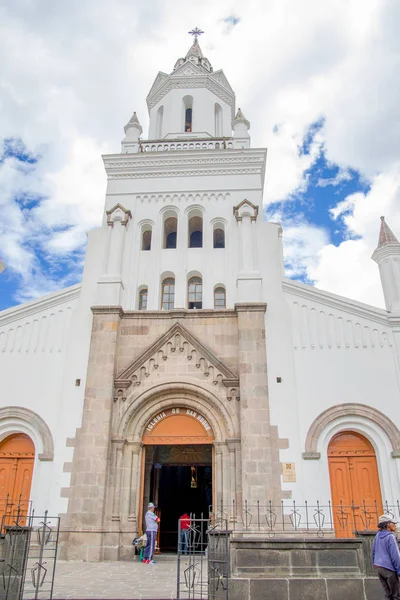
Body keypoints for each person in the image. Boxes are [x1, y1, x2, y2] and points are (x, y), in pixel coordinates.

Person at [372, 513, 400, 599]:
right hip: (389, 569)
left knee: (388, 595)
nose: (395, 525)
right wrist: (399, 571)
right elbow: (395, 556)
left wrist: (376, 564)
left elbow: (373, 552)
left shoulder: (377, 536)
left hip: (380, 569)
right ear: (388, 524)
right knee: (396, 596)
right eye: (393, 523)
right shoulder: (390, 537)